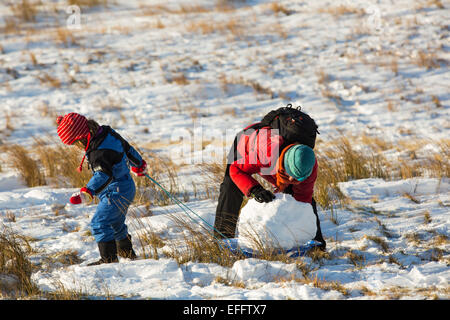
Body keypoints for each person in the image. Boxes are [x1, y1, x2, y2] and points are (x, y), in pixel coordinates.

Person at [213, 119, 326, 250]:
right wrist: (255, 189)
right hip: (246, 141)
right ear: (282, 163)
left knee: (295, 195)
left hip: (276, 154)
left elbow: (304, 202)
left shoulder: (308, 167)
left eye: (295, 178)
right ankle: (221, 242)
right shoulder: (266, 154)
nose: (290, 178)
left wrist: (308, 236)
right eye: (288, 173)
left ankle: (315, 243)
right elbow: (235, 169)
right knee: (230, 188)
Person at [56, 112, 148, 265]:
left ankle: (108, 260)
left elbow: (103, 175)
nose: (76, 148)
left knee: (99, 222)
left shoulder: (99, 152)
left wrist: (88, 191)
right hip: (126, 187)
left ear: (80, 138)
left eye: (73, 144)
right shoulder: (106, 133)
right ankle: (128, 255)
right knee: (115, 223)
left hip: (116, 191)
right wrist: (139, 164)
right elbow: (127, 148)